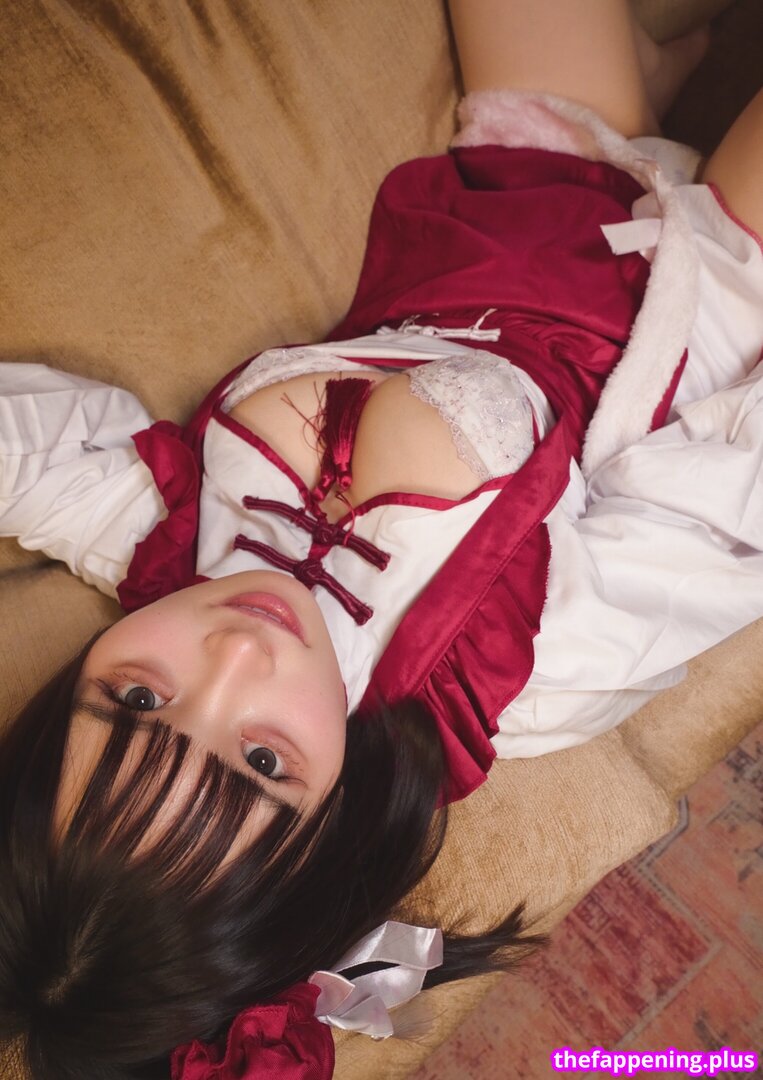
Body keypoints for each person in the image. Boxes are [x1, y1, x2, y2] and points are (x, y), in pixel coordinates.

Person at [1, 1, 762, 1076]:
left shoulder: (158, 547)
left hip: (524, 192)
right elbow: (730, 502)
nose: (233, 655)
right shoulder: (521, 671)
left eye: (136, 701)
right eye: (261, 760)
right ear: (332, 822)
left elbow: (22, 453)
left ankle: (648, 72)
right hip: (710, 287)